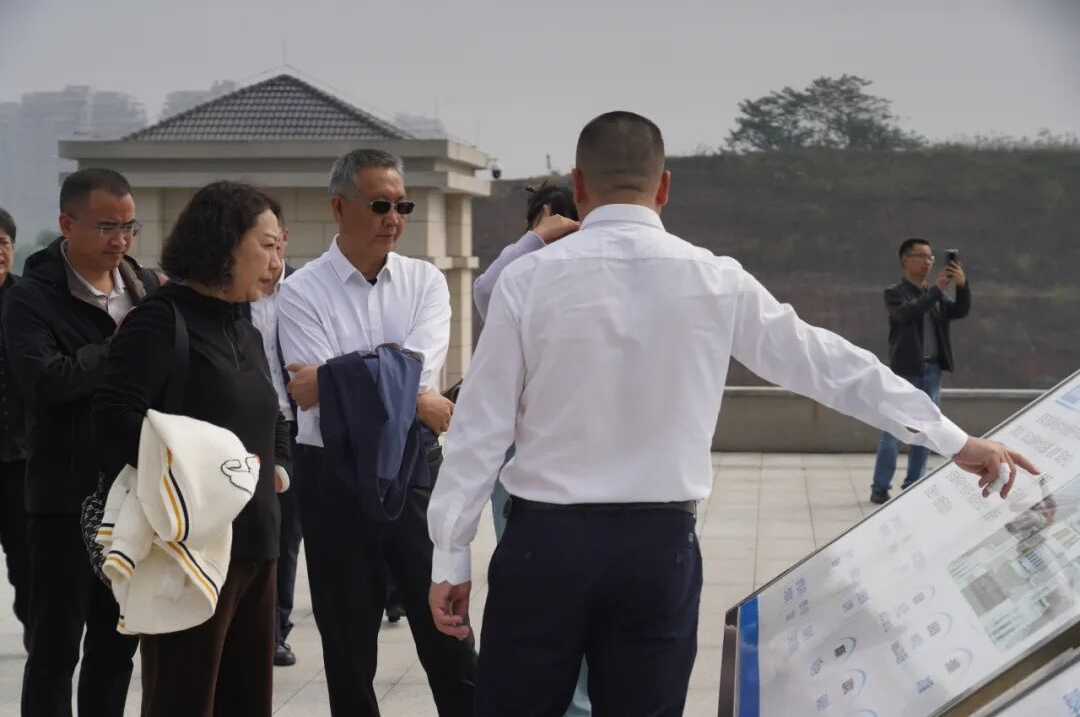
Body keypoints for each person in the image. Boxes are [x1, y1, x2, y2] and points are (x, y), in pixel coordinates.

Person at [426, 111, 1036, 717]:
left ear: (578, 187)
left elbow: (481, 428)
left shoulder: (526, 281)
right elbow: (828, 363)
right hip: (656, 550)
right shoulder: (716, 280)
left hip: (543, 548)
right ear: (664, 187)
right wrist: (952, 439)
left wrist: (450, 555)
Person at [277, 148, 477, 716]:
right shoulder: (301, 291)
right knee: (347, 645)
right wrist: (408, 392)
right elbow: (312, 392)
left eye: (402, 205)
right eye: (381, 204)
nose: (394, 217)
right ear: (339, 208)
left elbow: (414, 364)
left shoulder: (426, 282)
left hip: (414, 469)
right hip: (332, 475)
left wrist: (341, 378)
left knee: (449, 630)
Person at [94, 181, 292, 717]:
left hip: (257, 544)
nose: (278, 260)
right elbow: (113, 417)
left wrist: (280, 471)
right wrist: (198, 474)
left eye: (281, 246)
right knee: (183, 700)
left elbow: (270, 411)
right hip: (190, 547)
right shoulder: (163, 321)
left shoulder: (245, 327)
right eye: (268, 245)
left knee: (247, 703)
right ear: (224, 243)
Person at [4, 168, 158, 717]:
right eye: (107, 227)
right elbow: (46, 383)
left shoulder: (146, 287)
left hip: (134, 497)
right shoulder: (30, 299)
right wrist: (120, 345)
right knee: (55, 646)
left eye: (129, 226)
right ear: (67, 224)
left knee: (118, 644)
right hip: (63, 499)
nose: (120, 240)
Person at [472, 184, 589, 716]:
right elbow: (487, 291)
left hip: (570, 469)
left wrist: (534, 238)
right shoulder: (523, 280)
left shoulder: (583, 276)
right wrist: (536, 241)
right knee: (539, 601)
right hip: (521, 468)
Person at [238, 204, 303, 667]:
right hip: (243, 430)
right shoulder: (227, 295)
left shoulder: (303, 290)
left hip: (295, 427)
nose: (272, 255)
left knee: (287, 533)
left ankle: (276, 629)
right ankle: (243, 626)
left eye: (275, 241)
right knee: (248, 531)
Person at [869, 237, 971, 504]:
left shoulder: (934, 296)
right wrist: (936, 291)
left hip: (931, 371)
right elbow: (907, 314)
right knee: (893, 429)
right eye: (921, 256)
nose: (927, 262)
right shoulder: (895, 293)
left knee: (926, 430)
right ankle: (880, 486)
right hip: (905, 371)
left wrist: (962, 286)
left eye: (930, 258)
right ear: (906, 260)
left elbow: (960, 311)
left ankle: (914, 483)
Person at [0, 207, 30, 638]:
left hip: (21, 453)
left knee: (26, 555)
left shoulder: (28, 301)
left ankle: (34, 622)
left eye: (3, 243)